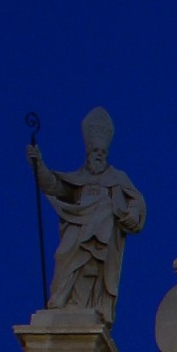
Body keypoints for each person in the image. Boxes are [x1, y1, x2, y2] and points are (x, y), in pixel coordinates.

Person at [28, 105, 146, 325]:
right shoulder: (78, 178)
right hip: (78, 226)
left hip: (104, 234)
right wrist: (38, 165)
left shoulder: (117, 178)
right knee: (63, 256)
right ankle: (63, 300)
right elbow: (53, 185)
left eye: (103, 152)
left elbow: (137, 201)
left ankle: (88, 305)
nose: (99, 155)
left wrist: (132, 212)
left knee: (95, 267)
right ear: (88, 154)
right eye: (95, 152)